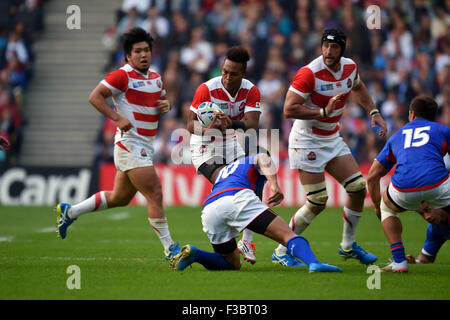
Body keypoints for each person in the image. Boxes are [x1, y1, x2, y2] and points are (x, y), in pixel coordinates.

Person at [56, 27, 180, 260]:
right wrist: (117, 117)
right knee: (154, 192)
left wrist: (167, 105)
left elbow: (162, 101)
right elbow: (95, 96)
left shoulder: (155, 77)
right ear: (127, 56)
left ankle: (70, 212)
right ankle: (170, 249)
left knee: (119, 198)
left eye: (146, 50)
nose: (143, 55)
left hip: (145, 145)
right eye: (137, 51)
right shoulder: (121, 75)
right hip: (130, 144)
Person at [273, 29, 386, 266]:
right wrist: (322, 111)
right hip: (306, 140)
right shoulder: (309, 73)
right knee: (317, 201)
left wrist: (373, 111)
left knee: (357, 187)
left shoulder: (349, 68)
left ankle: (347, 245)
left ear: (342, 49)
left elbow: (358, 87)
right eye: (325, 46)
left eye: (334, 47)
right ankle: (281, 251)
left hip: (332, 138)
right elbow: (288, 109)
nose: (328, 51)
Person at [169, 152, 343, 273]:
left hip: (209, 208)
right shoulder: (253, 158)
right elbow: (263, 158)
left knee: (232, 264)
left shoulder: (227, 170)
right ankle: (314, 263)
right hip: (236, 197)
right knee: (286, 235)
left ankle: (195, 254)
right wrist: (274, 185)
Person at [187, 46, 274, 264]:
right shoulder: (207, 88)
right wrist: (207, 130)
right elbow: (189, 123)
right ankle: (225, 240)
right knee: (229, 186)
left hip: (230, 143)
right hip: (204, 146)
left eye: (232, 73)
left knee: (257, 171)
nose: (226, 77)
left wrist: (231, 123)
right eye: (224, 71)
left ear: (243, 74)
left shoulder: (251, 90)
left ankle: (246, 240)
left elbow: (252, 124)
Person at [367, 95, 450, 273]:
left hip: (402, 188)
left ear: (411, 114)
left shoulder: (396, 137)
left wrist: (377, 207)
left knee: (387, 209)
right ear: (434, 115)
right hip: (438, 184)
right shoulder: (443, 130)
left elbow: (373, 176)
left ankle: (399, 262)